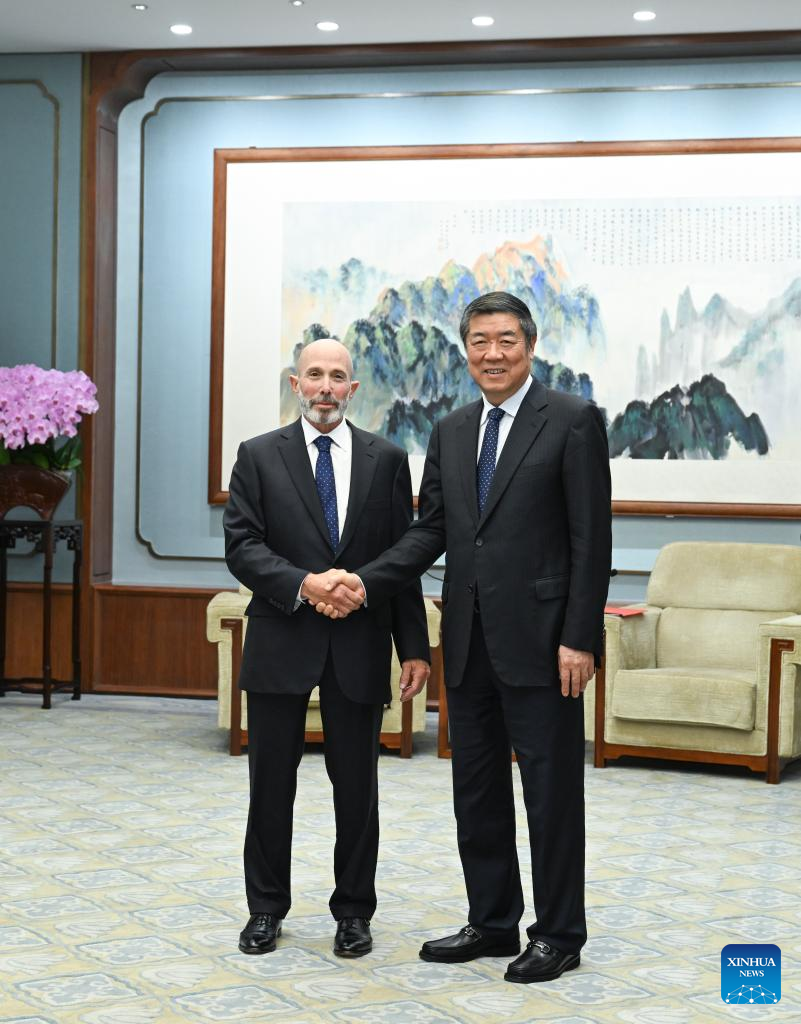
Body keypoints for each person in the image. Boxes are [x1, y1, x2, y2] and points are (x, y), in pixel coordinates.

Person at [317, 292, 612, 983]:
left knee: (549, 795)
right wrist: (364, 581)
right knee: (475, 791)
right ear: (466, 350)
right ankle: (492, 920)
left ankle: (559, 934)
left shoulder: (571, 420)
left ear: (529, 346)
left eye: (506, 340)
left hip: (544, 644)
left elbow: (591, 539)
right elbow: (431, 532)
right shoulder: (451, 430)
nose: (492, 354)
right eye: (479, 341)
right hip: (469, 641)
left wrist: (579, 637)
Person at [223, 338, 430, 959]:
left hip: (359, 645)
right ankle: (265, 909)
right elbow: (242, 546)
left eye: (337, 376)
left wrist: (414, 647)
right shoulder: (258, 455)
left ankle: (354, 912)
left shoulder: (387, 459)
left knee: (357, 788)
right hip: (281, 640)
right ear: (295, 383)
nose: (325, 387)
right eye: (314, 374)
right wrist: (306, 585)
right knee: (270, 785)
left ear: (352, 389)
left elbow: (402, 560)